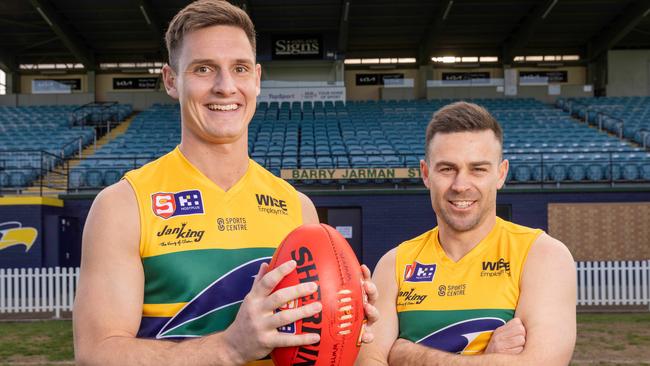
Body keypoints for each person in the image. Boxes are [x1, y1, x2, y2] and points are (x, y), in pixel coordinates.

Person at [73, 1, 378, 365]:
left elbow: (307, 342)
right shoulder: (124, 206)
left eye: (240, 68)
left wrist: (342, 320)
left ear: (257, 79)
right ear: (172, 80)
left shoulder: (297, 207)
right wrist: (229, 347)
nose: (226, 86)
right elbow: (96, 353)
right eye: (204, 69)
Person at [357, 101, 576, 365]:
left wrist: (407, 355)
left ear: (500, 174)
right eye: (447, 169)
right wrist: (487, 357)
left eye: (478, 169)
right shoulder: (394, 264)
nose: (461, 185)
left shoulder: (542, 255)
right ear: (426, 174)